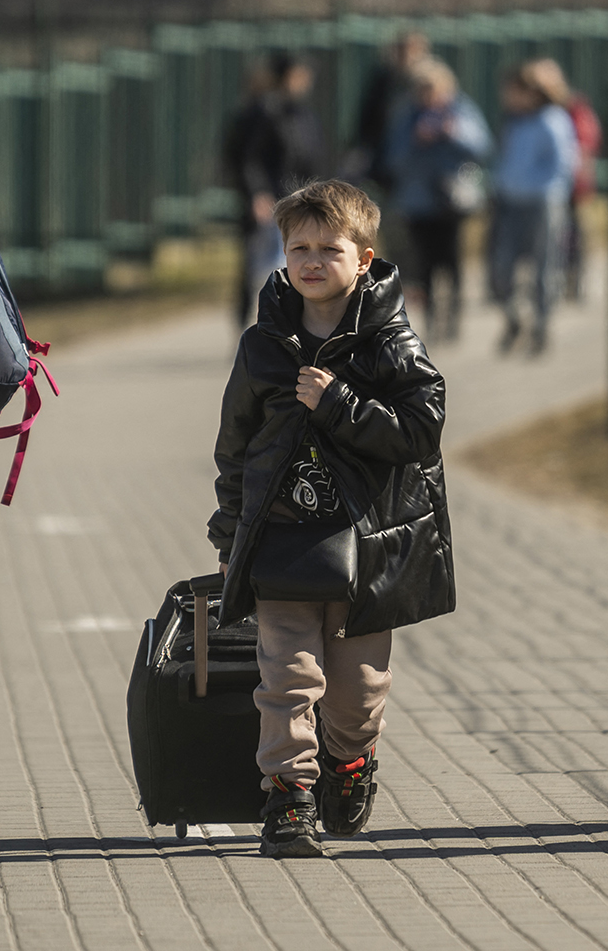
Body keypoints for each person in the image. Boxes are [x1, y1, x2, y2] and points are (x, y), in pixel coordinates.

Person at [209, 179, 452, 859]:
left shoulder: (392, 343)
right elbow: (234, 447)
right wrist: (230, 534)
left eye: (329, 248)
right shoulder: (263, 345)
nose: (311, 261)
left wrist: (340, 404)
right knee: (288, 676)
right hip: (282, 541)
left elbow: (421, 431)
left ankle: (350, 759)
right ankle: (289, 797)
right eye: (298, 249)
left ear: (365, 258)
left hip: (367, 547)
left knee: (357, 689)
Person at [384, 58, 491, 342]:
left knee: (452, 260)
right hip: (418, 201)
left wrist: (452, 132)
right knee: (426, 263)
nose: (429, 96)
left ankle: (454, 317)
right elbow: (394, 158)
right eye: (423, 90)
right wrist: (417, 138)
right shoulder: (407, 115)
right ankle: (431, 320)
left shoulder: (460, 110)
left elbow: (482, 146)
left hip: (452, 199)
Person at [224, 52, 329, 325]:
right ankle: (253, 325)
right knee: (258, 267)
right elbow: (249, 158)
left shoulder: (303, 113)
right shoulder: (264, 112)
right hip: (269, 202)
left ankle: (289, 323)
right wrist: (257, 193)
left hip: (298, 198)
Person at [487, 62, 579, 356]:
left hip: (543, 202)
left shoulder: (553, 120)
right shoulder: (513, 122)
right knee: (502, 266)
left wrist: (541, 188)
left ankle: (541, 324)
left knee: (544, 265)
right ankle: (513, 319)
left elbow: (563, 164)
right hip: (510, 201)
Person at [525, 57, 600, 302]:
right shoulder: (526, 112)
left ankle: (573, 279)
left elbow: (585, 140)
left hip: (572, 183)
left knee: (573, 233)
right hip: (539, 185)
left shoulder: (573, 108)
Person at [349, 30, 430, 189]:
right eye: (401, 51)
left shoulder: (430, 81)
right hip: (384, 157)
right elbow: (367, 118)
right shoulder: (383, 80)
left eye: (411, 51)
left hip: (418, 161)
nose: (406, 57)